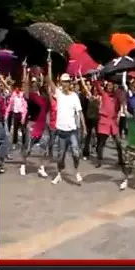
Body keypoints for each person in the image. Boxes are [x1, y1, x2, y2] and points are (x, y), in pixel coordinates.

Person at [46, 55, 86, 185]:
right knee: (60, 155)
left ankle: (77, 171)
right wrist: (50, 65)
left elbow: (79, 112)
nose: (65, 83)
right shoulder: (58, 93)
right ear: (61, 83)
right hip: (61, 130)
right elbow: (49, 81)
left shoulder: (74, 96)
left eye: (67, 81)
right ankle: (58, 174)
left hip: (73, 130)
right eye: (63, 81)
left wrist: (84, 127)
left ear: (70, 83)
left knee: (76, 153)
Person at [95, 79, 124, 168]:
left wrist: (117, 89)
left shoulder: (117, 97)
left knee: (118, 142)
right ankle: (99, 160)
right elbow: (97, 87)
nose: (110, 87)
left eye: (111, 86)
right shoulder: (104, 94)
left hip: (113, 122)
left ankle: (121, 160)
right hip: (104, 121)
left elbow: (122, 97)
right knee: (101, 143)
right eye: (108, 86)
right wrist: (99, 79)